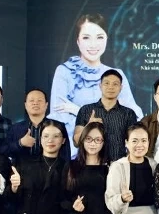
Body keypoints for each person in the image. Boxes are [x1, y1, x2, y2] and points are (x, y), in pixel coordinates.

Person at [50, 14, 143, 145]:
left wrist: (77, 111)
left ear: (106, 39)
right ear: (78, 41)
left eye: (99, 37)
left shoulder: (117, 75)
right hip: (77, 148)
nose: (93, 44)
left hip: (113, 146)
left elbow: (133, 117)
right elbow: (59, 117)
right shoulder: (65, 71)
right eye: (86, 38)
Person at [73, 69, 138, 161]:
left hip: (118, 164)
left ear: (121, 87)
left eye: (115, 84)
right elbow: (76, 142)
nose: (110, 87)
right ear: (100, 86)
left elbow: (133, 144)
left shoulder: (128, 113)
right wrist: (88, 126)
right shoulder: (86, 110)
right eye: (106, 83)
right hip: (91, 165)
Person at [7, 89, 71, 163]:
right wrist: (20, 143)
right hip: (21, 169)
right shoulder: (15, 128)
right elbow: (5, 150)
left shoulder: (58, 126)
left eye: (39, 100)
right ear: (25, 105)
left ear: (46, 105)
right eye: (32, 100)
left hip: (51, 168)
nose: (35, 103)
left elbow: (66, 153)